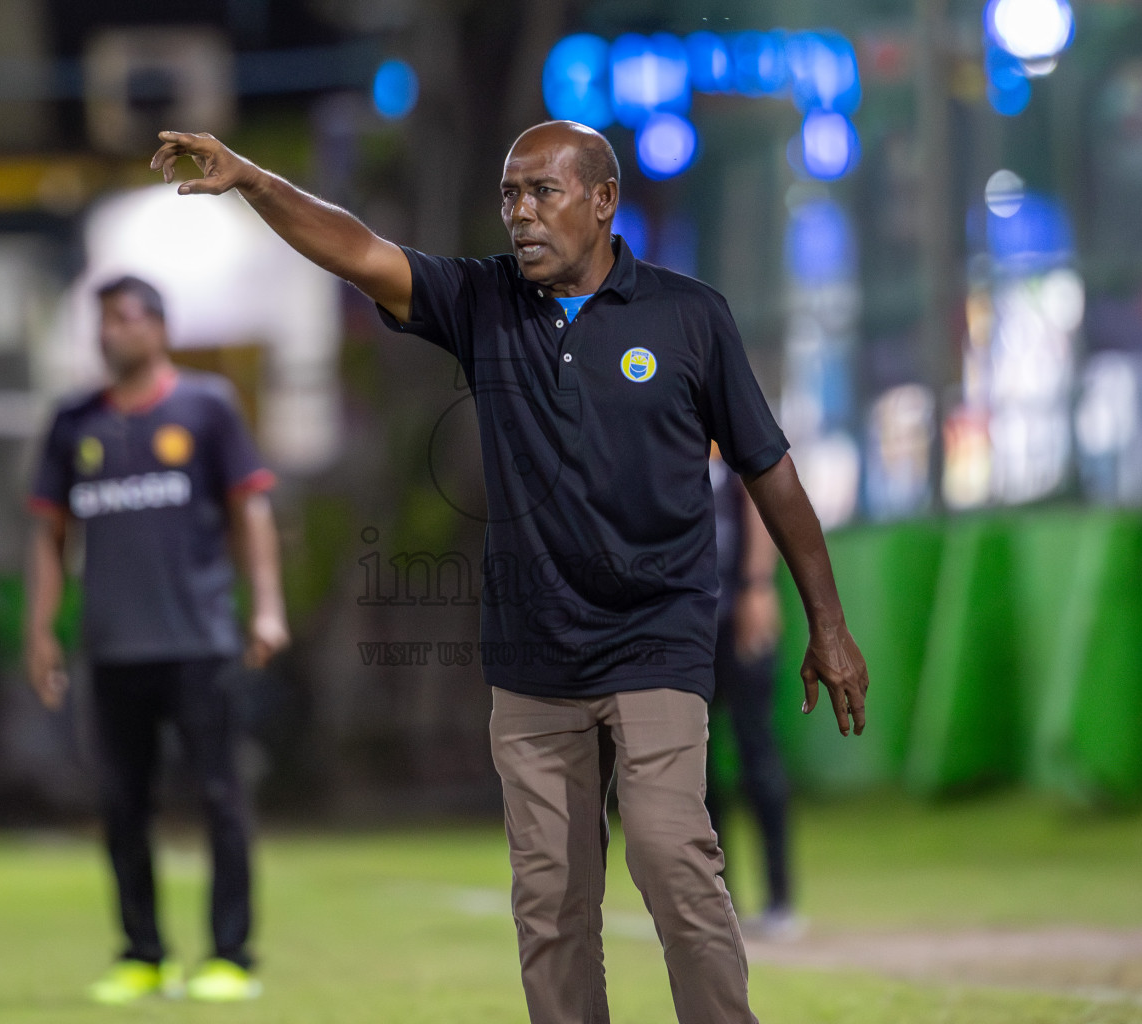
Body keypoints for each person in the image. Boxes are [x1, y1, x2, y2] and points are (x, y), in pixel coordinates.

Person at [149, 121, 868, 1024]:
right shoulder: (482, 302)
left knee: (671, 859)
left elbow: (771, 472)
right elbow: (357, 250)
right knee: (552, 908)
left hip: (657, 639)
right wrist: (255, 179)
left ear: (602, 202)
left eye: (543, 193)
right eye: (509, 196)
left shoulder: (690, 316)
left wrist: (828, 625)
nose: (521, 215)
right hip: (531, 658)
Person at [24, 275, 290, 1005]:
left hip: (199, 640)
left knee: (220, 798)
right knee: (120, 805)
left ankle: (230, 955)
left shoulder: (206, 407)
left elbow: (251, 509)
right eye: (104, 320)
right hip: (112, 647)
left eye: (128, 318)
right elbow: (49, 533)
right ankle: (142, 954)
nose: (114, 331)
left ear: (159, 329)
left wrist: (266, 605)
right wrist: (41, 629)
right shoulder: (73, 421)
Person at [703, 446, 801, 942]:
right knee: (693, 767)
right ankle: (718, 901)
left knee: (756, 750)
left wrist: (758, 586)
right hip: (685, 626)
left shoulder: (732, 446)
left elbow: (765, 493)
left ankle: (780, 898)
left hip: (738, 618)